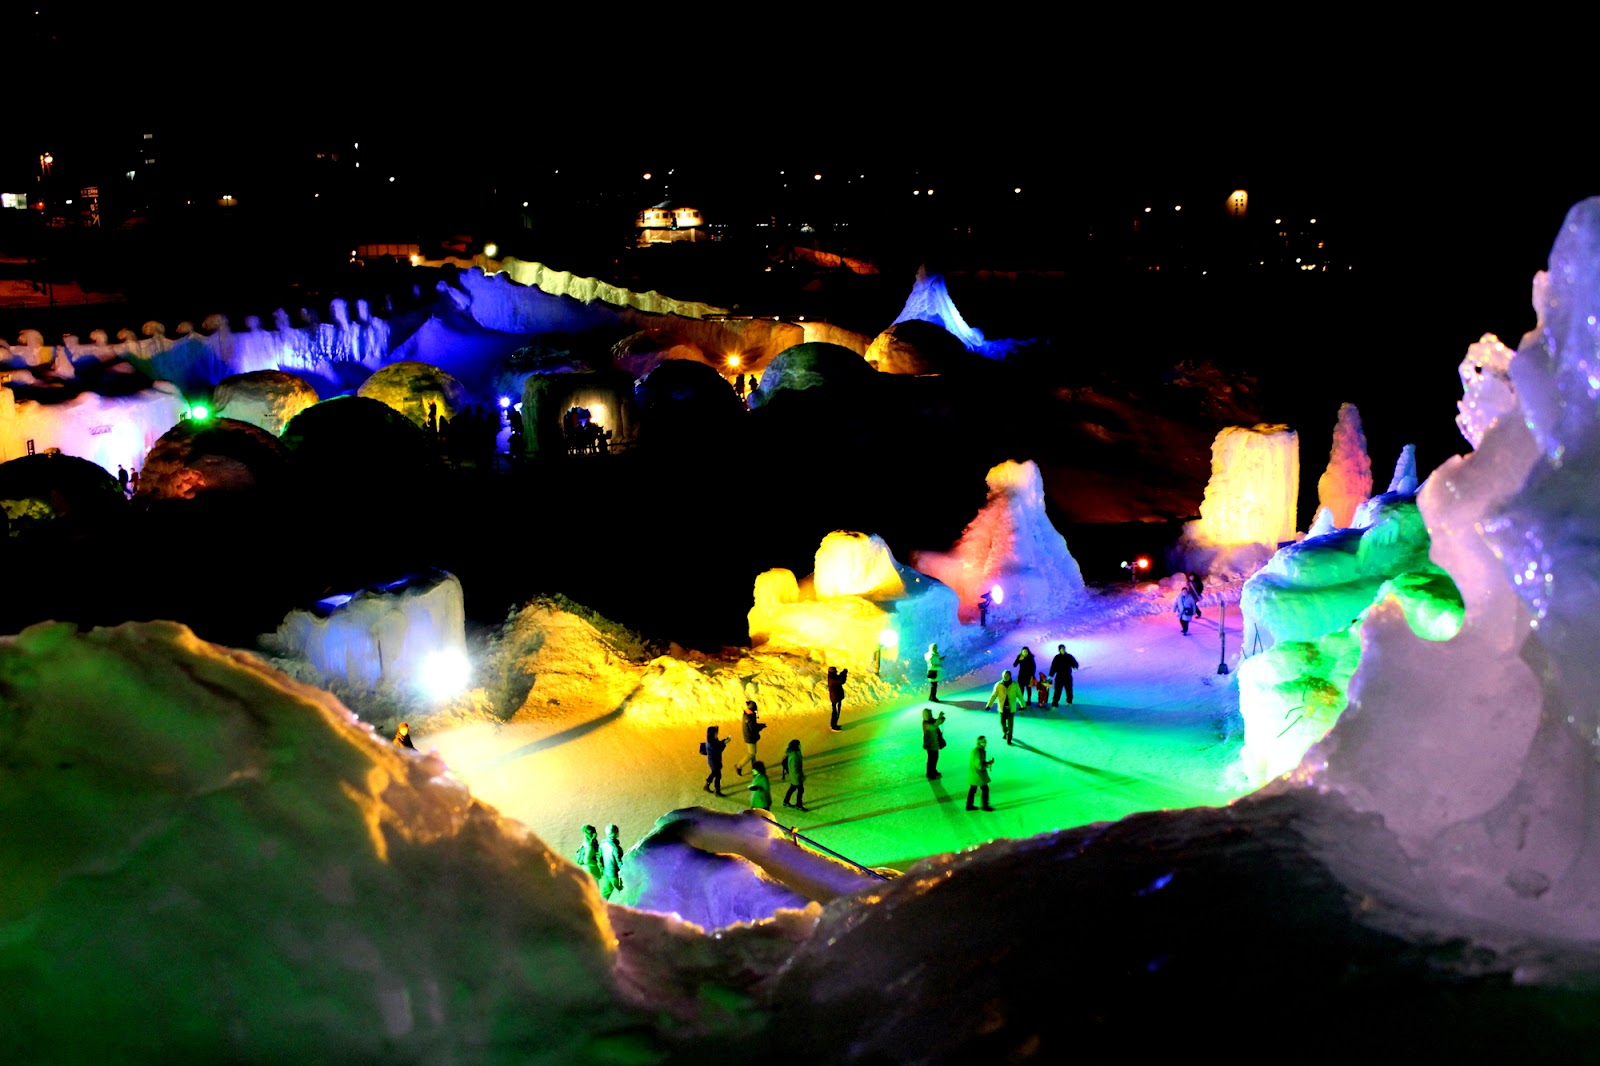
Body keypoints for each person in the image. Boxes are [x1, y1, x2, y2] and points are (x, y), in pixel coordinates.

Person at [985, 670, 1026, 745]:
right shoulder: (998, 685)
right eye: (1004, 676)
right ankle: (1006, 732)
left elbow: (1019, 695)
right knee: (1002, 723)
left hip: (1011, 708)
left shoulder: (1015, 685)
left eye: (1007, 676)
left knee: (1010, 724)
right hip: (1002, 708)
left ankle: (1009, 737)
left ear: (1010, 676)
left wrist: (1022, 705)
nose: (1005, 677)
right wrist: (989, 705)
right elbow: (993, 696)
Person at [735, 700, 767, 775]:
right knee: (751, 753)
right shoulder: (749, 717)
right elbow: (753, 728)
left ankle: (754, 767)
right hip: (750, 737)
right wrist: (760, 727)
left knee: (753, 752)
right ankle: (739, 766)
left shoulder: (748, 714)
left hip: (749, 736)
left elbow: (752, 726)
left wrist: (759, 725)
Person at [966, 736, 995, 811]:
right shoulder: (978, 751)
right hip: (977, 775)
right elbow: (979, 766)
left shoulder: (979, 750)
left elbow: (980, 762)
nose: (985, 743)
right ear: (979, 743)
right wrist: (987, 765)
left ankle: (969, 805)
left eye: (985, 741)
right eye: (984, 741)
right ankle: (985, 806)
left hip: (975, 774)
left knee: (973, 789)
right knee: (985, 789)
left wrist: (988, 762)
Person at [701, 725, 730, 795]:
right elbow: (718, 750)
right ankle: (717, 791)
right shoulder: (710, 743)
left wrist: (723, 741)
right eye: (716, 733)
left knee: (714, 773)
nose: (717, 734)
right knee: (718, 775)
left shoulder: (712, 740)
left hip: (714, 761)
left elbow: (718, 744)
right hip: (714, 762)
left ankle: (707, 785)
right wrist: (724, 744)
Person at [599, 824, 626, 900]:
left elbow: (600, 857)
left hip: (607, 872)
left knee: (606, 893)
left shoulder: (603, 843)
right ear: (615, 833)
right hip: (614, 874)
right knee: (624, 892)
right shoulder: (615, 847)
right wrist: (625, 871)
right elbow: (619, 862)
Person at [921, 707, 948, 778]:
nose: (930, 715)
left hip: (935, 744)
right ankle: (930, 773)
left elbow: (939, 722)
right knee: (931, 759)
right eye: (929, 714)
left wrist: (940, 717)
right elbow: (934, 727)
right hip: (930, 745)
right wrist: (939, 719)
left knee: (935, 758)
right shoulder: (925, 723)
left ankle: (933, 770)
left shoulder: (931, 720)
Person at [782, 739, 807, 810]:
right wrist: (799, 776)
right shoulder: (794, 756)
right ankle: (799, 805)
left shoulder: (795, 753)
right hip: (796, 776)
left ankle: (786, 801)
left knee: (792, 788)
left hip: (794, 776)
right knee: (800, 790)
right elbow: (794, 768)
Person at [826, 666, 849, 731]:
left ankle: (834, 724)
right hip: (835, 698)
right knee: (835, 712)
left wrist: (843, 672)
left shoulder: (833, 676)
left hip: (836, 697)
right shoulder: (832, 679)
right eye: (835, 671)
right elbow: (842, 681)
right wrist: (844, 673)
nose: (836, 672)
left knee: (836, 712)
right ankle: (833, 726)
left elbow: (839, 677)